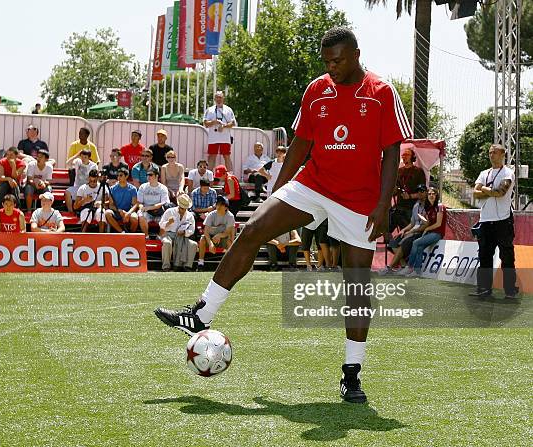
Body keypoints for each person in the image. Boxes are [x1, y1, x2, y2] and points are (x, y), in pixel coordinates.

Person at [155, 27, 412, 404]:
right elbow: (300, 144)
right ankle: (202, 313)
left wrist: (383, 205)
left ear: (356, 54)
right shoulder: (316, 89)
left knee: (357, 285)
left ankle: (351, 374)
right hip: (313, 183)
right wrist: (277, 193)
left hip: (360, 199)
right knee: (254, 228)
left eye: (337, 60)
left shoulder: (381, 93)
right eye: (326, 61)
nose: (331, 67)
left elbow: (392, 151)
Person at [469, 144, 518, 299]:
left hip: (503, 221)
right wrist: (488, 190)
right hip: (485, 220)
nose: (491, 155)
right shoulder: (484, 173)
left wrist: (484, 189)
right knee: (484, 255)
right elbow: (475, 194)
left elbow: (501, 192)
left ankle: (510, 290)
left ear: (503, 154)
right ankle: (484, 288)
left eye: (495, 152)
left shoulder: (508, 173)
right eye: (490, 153)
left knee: (507, 256)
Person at [378, 184, 428, 275]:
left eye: (422, 191)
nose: (420, 193)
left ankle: (390, 267)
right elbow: (412, 223)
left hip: (421, 231)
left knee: (404, 242)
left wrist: (411, 231)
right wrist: (403, 230)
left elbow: (426, 224)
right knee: (393, 243)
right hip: (413, 229)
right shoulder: (416, 205)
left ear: (426, 192)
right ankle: (404, 266)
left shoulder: (429, 206)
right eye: (418, 191)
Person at [399, 187, 445, 277]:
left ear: (437, 195)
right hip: (430, 233)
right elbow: (427, 223)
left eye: (433, 194)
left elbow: (438, 224)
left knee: (415, 243)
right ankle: (417, 272)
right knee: (419, 248)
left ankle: (409, 267)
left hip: (437, 233)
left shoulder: (440, 207)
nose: (431, 195)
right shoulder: (429, 208)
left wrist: (427, 229)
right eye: (429, 194)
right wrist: (423, 219)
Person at [388, 148, 426, 234]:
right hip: (399, 207)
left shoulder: (418, 172)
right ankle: (390, 242)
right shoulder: (399, 171)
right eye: (403, 155)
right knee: (388, 225)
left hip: (412, 208)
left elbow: (423, 193)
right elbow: (394, 190)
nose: (404, 156)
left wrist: (410, 196)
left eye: (407, 154)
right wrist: (393, 191)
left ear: (412, 157)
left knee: (408, 232)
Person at [159, 194, 197, 272]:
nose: (183, 210)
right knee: (167, 243)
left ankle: (187, 266)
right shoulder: (169, 211)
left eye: (185, 208)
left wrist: (184, 232)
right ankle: (166, 266)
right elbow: (161, 225)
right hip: (168, 234)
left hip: (183, 236)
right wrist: (168, 223)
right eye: (182, 208)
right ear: (179, 205)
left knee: (193, 244)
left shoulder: (190, 216)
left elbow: (192, 230)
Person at [197, 196, 235, 270]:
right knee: (202, 239)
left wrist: (219, 235)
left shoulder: (230, 216)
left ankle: (229, 263)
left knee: (229, 241)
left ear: (226, 207)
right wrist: (210, 243)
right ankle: (200, 263)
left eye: (221, 204)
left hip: (223, 238)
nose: (219, 206)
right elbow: (206, 231)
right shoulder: (211, 215)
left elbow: (228, 232)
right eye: (218, 204)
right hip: (210, 237)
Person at [204, 90, 237, 171]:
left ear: (223, 98)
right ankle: (209, 178)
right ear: (214, 99)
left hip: (225, 138)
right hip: (213, 138)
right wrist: (214, 122)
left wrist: (224, 126)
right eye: (217, 97)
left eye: (220, 97)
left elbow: (233, 123)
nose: (219, 99)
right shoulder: (210, 110)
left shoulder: (228, 109)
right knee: (212, 156)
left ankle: (230, 177)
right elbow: (205, 123)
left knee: (227, 156)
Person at [137, 167, 170, 237]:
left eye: (151, 175)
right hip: (146, 211)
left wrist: (149, 208)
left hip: (159, 211)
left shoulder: (163, 188)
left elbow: (164, 203)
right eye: (147, 175)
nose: (148, 177)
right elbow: (139, 202)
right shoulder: (143, 187)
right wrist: (141, 207)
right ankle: (146, 237)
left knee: (167, 218)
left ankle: (160, 237)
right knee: (141, 215)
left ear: (157, 176)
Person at [104, 167, 139, 233]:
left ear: (126, 176)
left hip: (128, 211)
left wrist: (128, 213)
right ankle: (122, 232)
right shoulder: (112, 189)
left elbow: (135, 204)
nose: (118, 177)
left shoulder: (133, 189)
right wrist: (119, 210)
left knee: (134, 218)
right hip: (116, 211)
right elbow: (111, 205)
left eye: (121, 175)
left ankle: (130, 235)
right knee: (107, 213)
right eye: (118, 175)